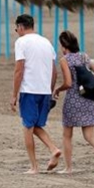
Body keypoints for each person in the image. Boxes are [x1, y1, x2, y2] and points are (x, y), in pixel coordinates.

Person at [52, 31, 94, 174]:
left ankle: (68, 168)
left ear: (64, 46)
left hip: (73, 100)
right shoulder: (84, 56)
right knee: (90, 135)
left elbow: (68, 82)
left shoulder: (65, 60)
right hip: (88, 98)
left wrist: (57, 90)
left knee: (67, 135)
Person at [10, 14, 62, 174]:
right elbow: (54, 71)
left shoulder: (21, 42)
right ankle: (53, 149)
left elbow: (19, 70)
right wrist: (50, 90)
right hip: (44, 91)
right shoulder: (46, 42)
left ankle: (34, 166)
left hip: (29, 90)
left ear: (20, 27)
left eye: (16, 29)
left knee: (27, 126)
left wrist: (14, 94)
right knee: (36, 125)